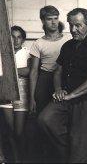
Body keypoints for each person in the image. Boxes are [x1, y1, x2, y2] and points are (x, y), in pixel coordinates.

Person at [38, 8, 87, 163]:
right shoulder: (68, 45)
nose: (73, 29)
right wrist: (58, 90)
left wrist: (71, 95)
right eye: (70, 25)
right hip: (67, 96)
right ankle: (70, 150)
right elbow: (57, 72)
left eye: (78, 25)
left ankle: (76, 153)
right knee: (45, 119)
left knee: (80, 149)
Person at [28, 5, 70, 162]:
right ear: (42, 21)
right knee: (43, 123)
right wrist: (31, 98)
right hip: (45, 82)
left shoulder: (68, 38)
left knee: (59, 122)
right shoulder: (37, 43)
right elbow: (33, 72)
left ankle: (63, 156)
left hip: (64, 81)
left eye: (56, 18)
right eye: (49, 19)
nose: (53, 22)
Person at [0, 26, 30, 162]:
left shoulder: (27, 52)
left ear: (23, 39)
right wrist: (18, 71)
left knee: (19, 132)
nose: (16, 40)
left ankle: (23, 158)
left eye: (19, 37)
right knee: (10, 130)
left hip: (22, 92)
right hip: (5, 92)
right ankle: (16, 160)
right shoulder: (3, 54)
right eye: (13, 36)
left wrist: (10, 71)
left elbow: (28, 71)